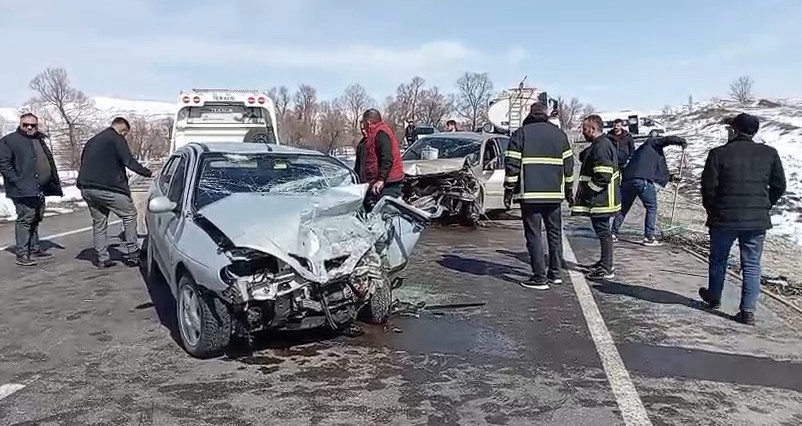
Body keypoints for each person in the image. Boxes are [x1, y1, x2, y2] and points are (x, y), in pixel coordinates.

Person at [698, 113, 786, 325]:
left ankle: (715, 298)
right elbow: (779, 186)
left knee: (719, 260)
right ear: (754, 132)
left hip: (724, 218)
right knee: (752, 265)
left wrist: (713, 210)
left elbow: (708, 188)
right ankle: (747, 311)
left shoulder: (718, 154)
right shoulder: (769, 153)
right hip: (756, 221)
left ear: (734, 130)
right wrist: (764, 205)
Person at [504, 102, 574, 289]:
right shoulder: (560, 135)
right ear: (546, 114)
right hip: (554, 195)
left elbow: (512, 165)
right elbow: (569, 165)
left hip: (530, 195)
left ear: (530, 114)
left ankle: (539, 277)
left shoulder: (521, 134)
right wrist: (569, 189)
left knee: (533, 235)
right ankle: (556, 273)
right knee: (554, 234)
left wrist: (508, 190)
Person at [77, 117, 152, 268]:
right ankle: (133, 254)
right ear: (123, 130)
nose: (124, 136)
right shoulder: (116, 139)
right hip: (109, 188)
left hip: (87, 188)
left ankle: (102, 258)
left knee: (99, 223)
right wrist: (149, 173)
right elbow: (129, 161)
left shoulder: (93, 140)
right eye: (125, 134)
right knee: (129, 215)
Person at [0, 113, 63, 266]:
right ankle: (22, 253)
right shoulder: (9, 141)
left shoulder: (38, 139)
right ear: (20, 124)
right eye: (25, 124)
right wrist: (18, 181)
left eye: (33, 125)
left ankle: (34, 249)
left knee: (35, 218)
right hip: (22, 188)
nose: (29, 127)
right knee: (26, 218)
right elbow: (4, 164)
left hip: (38, 188)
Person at [611, 135, 688, 245]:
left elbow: (654, 171)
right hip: (642, 181)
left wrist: (671, 178)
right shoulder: (653, 142)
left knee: (624, 208)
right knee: (651, 207)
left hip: (628, 180)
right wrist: (680, 141)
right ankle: (649, 237)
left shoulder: (642, 152)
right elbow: (666, 140)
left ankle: (613, 233)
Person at [572, 114, 621, 280]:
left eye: (585, 129)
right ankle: (604, 263)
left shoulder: (601, 147)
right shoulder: (601, 145)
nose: (583, 133)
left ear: (593, 129)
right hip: (603, 199)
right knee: (603, 232)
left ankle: (607, 267)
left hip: (602, 200)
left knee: (604, 233)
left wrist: (590, 192)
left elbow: (603, 176)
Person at [359, 109, 405, 211]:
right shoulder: (372, 135)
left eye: (365, 124)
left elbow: (387, 158)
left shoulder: (381, 133)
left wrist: (381, 179)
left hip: (388, 182)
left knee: (383, 211)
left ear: (368, 123)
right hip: (379, 181)